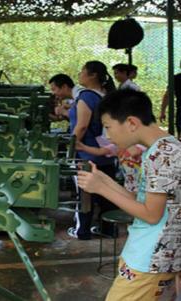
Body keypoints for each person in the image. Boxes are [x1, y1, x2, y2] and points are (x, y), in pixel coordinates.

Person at [77, 89, 181, 301]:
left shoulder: (162, 154)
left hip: (151, 259)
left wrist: (102, 189)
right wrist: (103, 181)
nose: (107, 136)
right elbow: (139, 201)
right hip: (146, 253)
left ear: (132, 123)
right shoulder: (160, 149)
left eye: (108, 127)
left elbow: (151, 214)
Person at [66, 60, 118, 240]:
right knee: (108, 192)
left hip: (86, 152)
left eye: (82, 71)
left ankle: (82, 231)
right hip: (106, 151)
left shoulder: (86, 96)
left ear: (93, 75)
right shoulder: (107, 94)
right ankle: (109, 229)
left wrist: (71, 149)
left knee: (84, 192)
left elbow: (81, 127)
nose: (80, 74)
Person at [159, 60, 181, 140]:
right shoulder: (176, 79)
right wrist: (162, 111)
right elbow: (167, 96)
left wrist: (162, 112)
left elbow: (167, 96)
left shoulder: (176, 78)